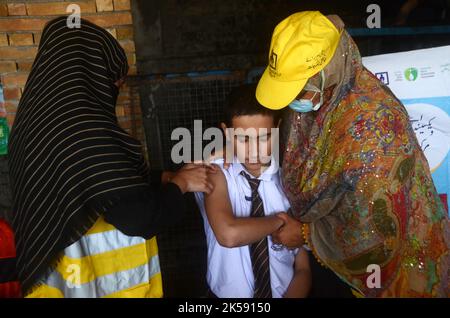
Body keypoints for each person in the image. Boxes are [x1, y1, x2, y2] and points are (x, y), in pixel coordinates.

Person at [8, 16, 214, 298]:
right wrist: (181, 184)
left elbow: (84, 182)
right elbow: (138, 218)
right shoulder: (82, 127)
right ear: (91, 73)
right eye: (114, 80)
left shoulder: (35, 123)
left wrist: (158, 179)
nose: (115, 89)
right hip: (99, 287)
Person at [255, 11, 449, 297]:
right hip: (323, 258)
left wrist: (306, 234)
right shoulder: (329, 96)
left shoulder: (375, 135)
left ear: (328, 70)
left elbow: (374, 237)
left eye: (297, 91)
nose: (292, 103)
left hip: (382, 275)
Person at [195, 84, 311, 298]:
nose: (254, 150)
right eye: (243, 139)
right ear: (227, 134)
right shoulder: (215, 172)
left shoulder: (291, 181)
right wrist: (280, 221)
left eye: (264, 137)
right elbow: (228, 234)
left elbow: (303, 267)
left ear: (278, 129)